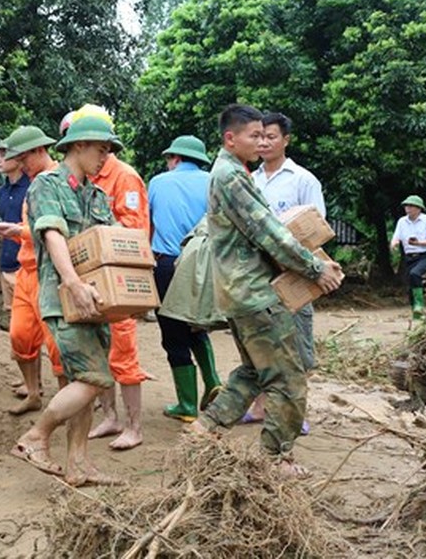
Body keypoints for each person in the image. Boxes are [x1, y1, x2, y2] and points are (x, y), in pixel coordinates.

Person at [186, 104, 344, 479]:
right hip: (255, 294)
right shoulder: (232, 177)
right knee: (288, 377)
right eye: (253, 136)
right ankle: (276, 460)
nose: (261, 142)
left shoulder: (229, 173)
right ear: (231, 138)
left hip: (238, 293)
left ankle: (203, 430)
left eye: (264, 135)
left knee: (254, 372)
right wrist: (314, 268)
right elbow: (268, 232)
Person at [12, 116, 123, 486]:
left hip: (96, 301)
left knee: (81, 381)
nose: (105, 157)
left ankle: (78, 465)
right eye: (101, 148)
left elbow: (108, 241)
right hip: (64, 299)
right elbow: (52, 234)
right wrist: (73, 283)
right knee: (94, 378)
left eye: (109, 151)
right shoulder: (48, 185)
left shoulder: (96, 195)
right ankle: (35, 437)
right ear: (78, 145)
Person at [62, 106, 152, 451]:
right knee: (100, 350)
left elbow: (134, 230)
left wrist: (97, 238)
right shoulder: (81, 179)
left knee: (124, 352)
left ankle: (134, 425)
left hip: (119, 279)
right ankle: (110, 416)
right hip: (91, 278)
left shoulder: (124, 177)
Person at [246, 111, 326, 424]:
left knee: (297, 345)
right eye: (259, 136)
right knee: (262, 343)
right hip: (257, 276)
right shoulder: (250, 181)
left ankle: (296, 414)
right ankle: (259, 408)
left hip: (295, 276)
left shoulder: (303, 180)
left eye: (271, 136)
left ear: (286, 140)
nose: (263, 142)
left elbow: (317, 229)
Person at [147, 134, 222, 423]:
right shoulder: (212, 181)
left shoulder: (158, 183)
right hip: (205, 265)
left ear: (175, 158)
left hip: (167, 265)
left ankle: (187, 405)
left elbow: (148, 223)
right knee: (195, 323)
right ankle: (213, 379)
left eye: (169, 159)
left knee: (172, 333)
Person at [0, 126, 63, 414]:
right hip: (26, 269)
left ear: (38, 150)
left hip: (49, 272)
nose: (20, 165)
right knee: (20, 336)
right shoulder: (35, 181)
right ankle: (33, 393)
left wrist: (19, 231)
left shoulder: (58, 179)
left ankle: (65, 402)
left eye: (23, 159)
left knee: (57, 344)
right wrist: (18, 232)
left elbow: (55, 230)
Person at [0, 139, 29, 312]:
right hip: (6, 262)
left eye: (3, 155)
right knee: (12, 320)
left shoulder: (32, 187)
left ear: (19, 158)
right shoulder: (1, 192)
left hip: (26, 265)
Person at [390, 195, 426, 320]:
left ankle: (419, 305)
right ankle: (416, 315)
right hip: (410, 256)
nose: (408, 208)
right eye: (406, 205)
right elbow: (396, 236)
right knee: (411, 284)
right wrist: (394, 243)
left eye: (411, 206)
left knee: (415, 274)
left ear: (419, 208)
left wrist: (418, 243)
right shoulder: (402, 221)